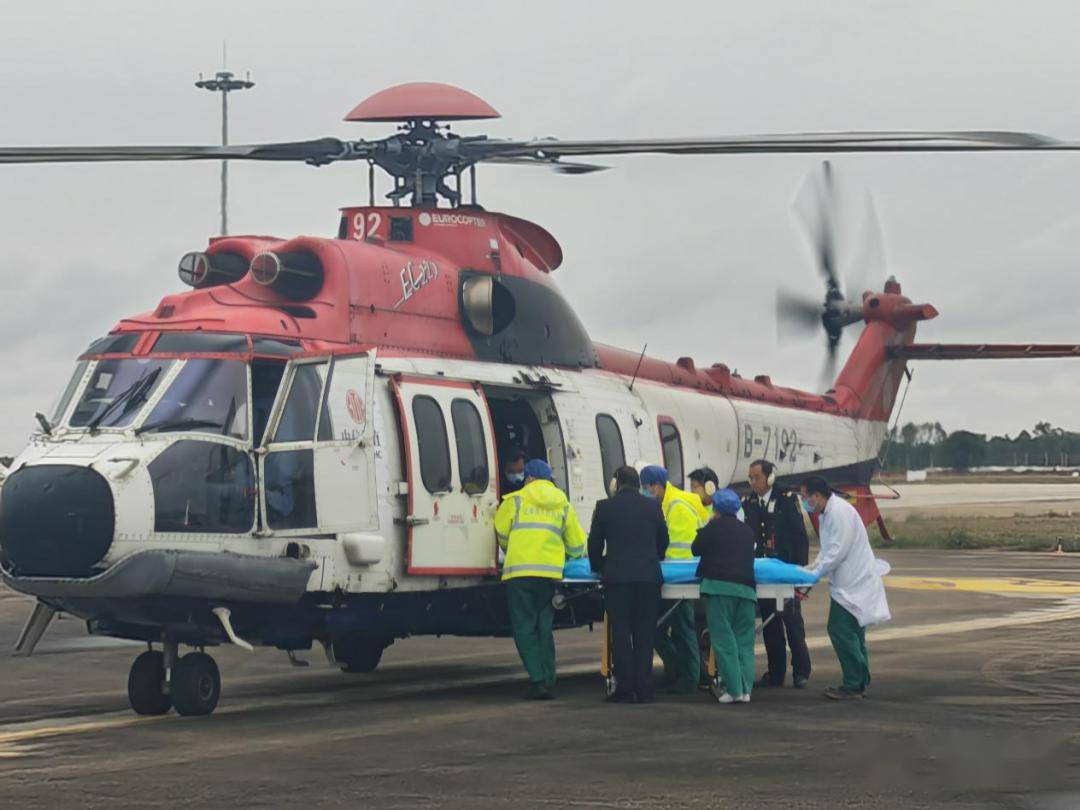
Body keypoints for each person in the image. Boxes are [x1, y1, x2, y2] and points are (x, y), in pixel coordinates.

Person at [495, 459, 587, 700]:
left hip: (520, 573)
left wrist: (512, 547)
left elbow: (501, 532)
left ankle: (537, 681)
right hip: (550, 574)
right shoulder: (562, 502)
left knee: (524, 627)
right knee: (544, 626)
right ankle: (549, 677)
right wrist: (569, 557)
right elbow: (577, 544)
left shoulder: (514, 500)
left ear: (529, 478)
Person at [800, 476, 891, 700]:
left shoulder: (838, 512)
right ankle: (859, 681)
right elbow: (826, 550)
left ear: (817, 495)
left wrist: (813, 575)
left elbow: (836, 552)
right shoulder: (825, 514)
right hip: (849, 583)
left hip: (854, 583)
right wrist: (812, 568)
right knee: (854, 633)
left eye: (804, 496)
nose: (803, 501)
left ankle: (853, 684)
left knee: (840, 630)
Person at [587, 465, 669, 703]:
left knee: (621, 634)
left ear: (616, 483)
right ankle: (644, 689)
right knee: (645, 634)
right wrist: (654, 557)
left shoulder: (604, 507)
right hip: (648, 578)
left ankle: (624, 688)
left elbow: (594, 544)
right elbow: (663, 540)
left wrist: (598, 567)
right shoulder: (653, 506)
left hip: (618, 579)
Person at [742, 459, 812, 689]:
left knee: (792, 623)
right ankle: (775, 672)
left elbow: (800, 537)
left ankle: (801, 671)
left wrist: (800, 571)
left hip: (785, 570)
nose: (753, 482)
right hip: (762, 573)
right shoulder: (750, 502)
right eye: (750, 478)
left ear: (770, 477)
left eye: (757, 477)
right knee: (770, 625)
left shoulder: (786, 499)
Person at [640, 464, 705, 694]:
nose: (644, 492)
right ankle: (675, 669)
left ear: (656, 486)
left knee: (683, 629)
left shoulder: (677, 506)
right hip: (671, 576)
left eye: (646, 488)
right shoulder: (665, 504)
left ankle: (690, 679)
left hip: (682, 577)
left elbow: (679, 548)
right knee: (658, 629)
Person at [692, 488, 757, 704]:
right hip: (747, 590)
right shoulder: (747, 531)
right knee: (744, 642)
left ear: (715, 508)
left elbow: (696, 549)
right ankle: (746, 690)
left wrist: (707, 526)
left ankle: (734, 690)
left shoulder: (713, 528)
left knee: (724, 640)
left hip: (720, 589)